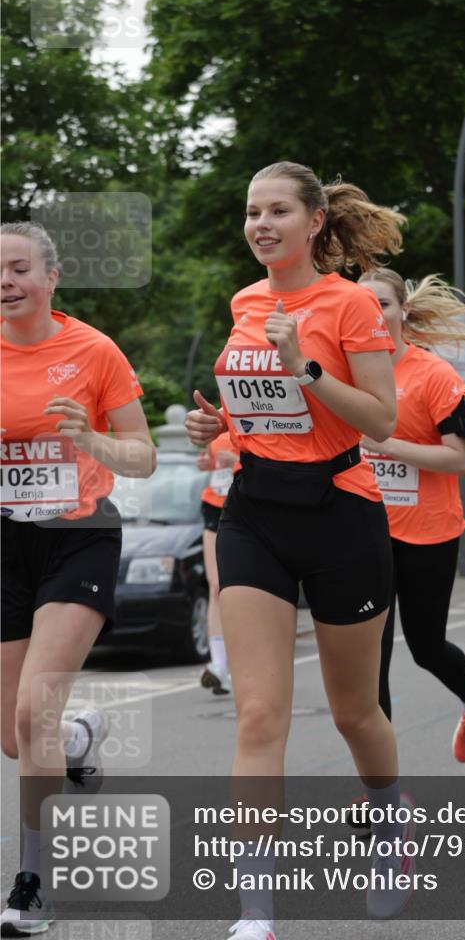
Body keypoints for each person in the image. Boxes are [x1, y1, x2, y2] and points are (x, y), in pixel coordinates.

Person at [185, 162, 415, 937]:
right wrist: (218, 425)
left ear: (314, 221)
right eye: (252, 211)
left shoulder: (349, 304)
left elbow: (380, 420)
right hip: (254, 512)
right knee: (257, 716)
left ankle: (389, 821)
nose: (261, 224)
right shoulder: (244, 302)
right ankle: (256, 913)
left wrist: (305, 368)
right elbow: (260, 410)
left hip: (341, 513)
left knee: (354, 712)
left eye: (277, 210)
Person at [1, 222, 155, 935]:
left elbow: (143, 454)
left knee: (34, 711)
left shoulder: (93, 350)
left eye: (18, 267)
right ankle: (82, 740)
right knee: (16, 736)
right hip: (7, 543)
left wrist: (90, 439)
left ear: (51, 277)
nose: (6, 281)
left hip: (79, 536)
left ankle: (33, 885)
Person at [357, 269, 465, 763]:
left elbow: (463, 459)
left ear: (404, 311)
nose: (373, 314)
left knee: (425, 647)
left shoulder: (434, 376)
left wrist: (388, 446)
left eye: (382, 304)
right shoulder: (345, 374)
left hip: (427, 533)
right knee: (371, 659)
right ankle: (381, 789)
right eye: (362, 306)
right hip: (364, 532)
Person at [197, 431, 239, 695]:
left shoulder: (255, 418)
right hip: (214, 505)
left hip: (245, 505)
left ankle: (244, 663)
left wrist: (237, 462)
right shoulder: (216, 423)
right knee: (216, 586)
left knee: (242, 590)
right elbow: (211, 463)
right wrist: (207, 463)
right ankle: (218, 665)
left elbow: (274, 461)